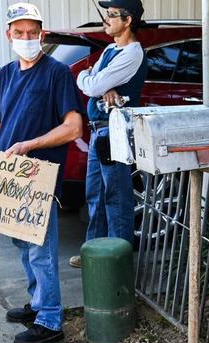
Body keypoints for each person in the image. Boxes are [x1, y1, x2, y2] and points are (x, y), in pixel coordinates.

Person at [0, 2, 83, 343]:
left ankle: (51, 318)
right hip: (11, 175)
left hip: (39, 175)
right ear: (8, 35)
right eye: (20, 33)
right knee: (21, 242)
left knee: (41, 248)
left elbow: (73, 127)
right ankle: (38, 301)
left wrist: (29, 144)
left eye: (32, 33)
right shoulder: (6, 73)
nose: (27, 39)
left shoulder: (57, 73)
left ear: (42, 34)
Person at [72, 0, 147, 268]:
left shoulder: (132, 54)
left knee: (116, 198)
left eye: (113, 15)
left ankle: (118, 261)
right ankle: (94, 253)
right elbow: (94, 81)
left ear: (128, 20)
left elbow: (92, 85)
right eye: (107, 14)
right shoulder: (110, 50)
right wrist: (92, 78)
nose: (106, 19)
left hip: (115, 133)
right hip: (99, 132)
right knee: (95, 195)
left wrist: (90, 78)